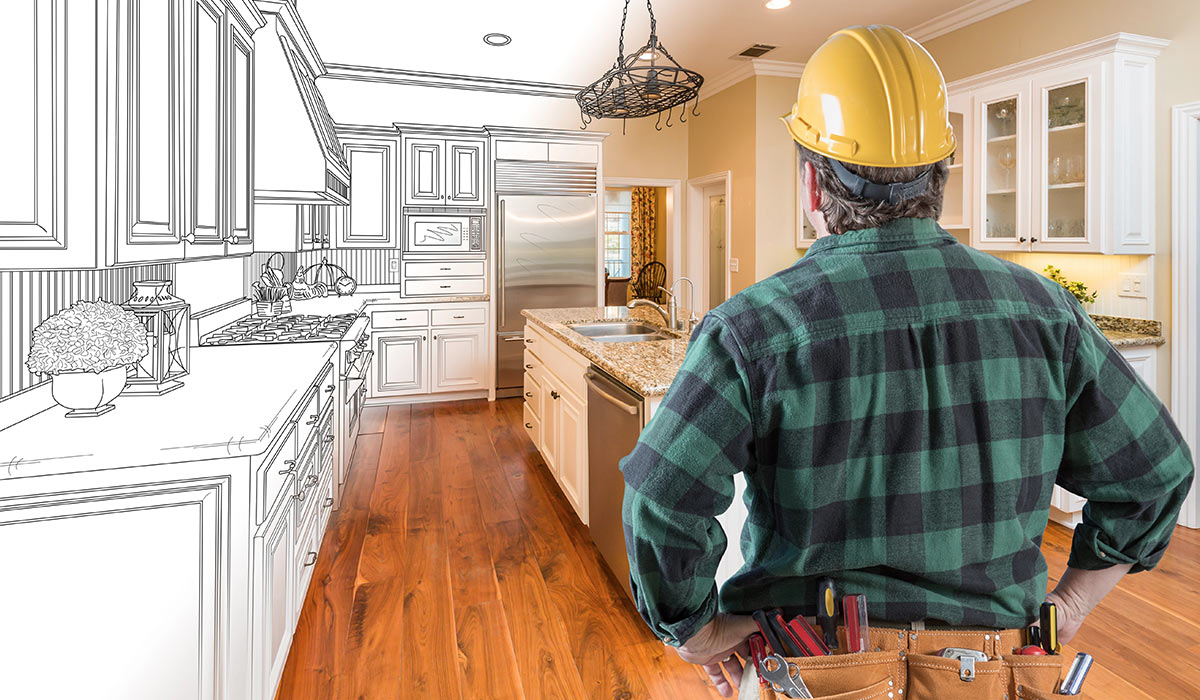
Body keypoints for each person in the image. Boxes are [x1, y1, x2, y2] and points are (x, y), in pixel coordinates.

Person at [619, 24, 1194, 698]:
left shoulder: (753, 328)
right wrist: (1067, 608)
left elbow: (661, 499)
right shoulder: (1045, 312)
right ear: (942, 177)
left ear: (811, 185)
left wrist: (694, 630)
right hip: (998, 671)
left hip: (812, 667)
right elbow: (1156, 476)